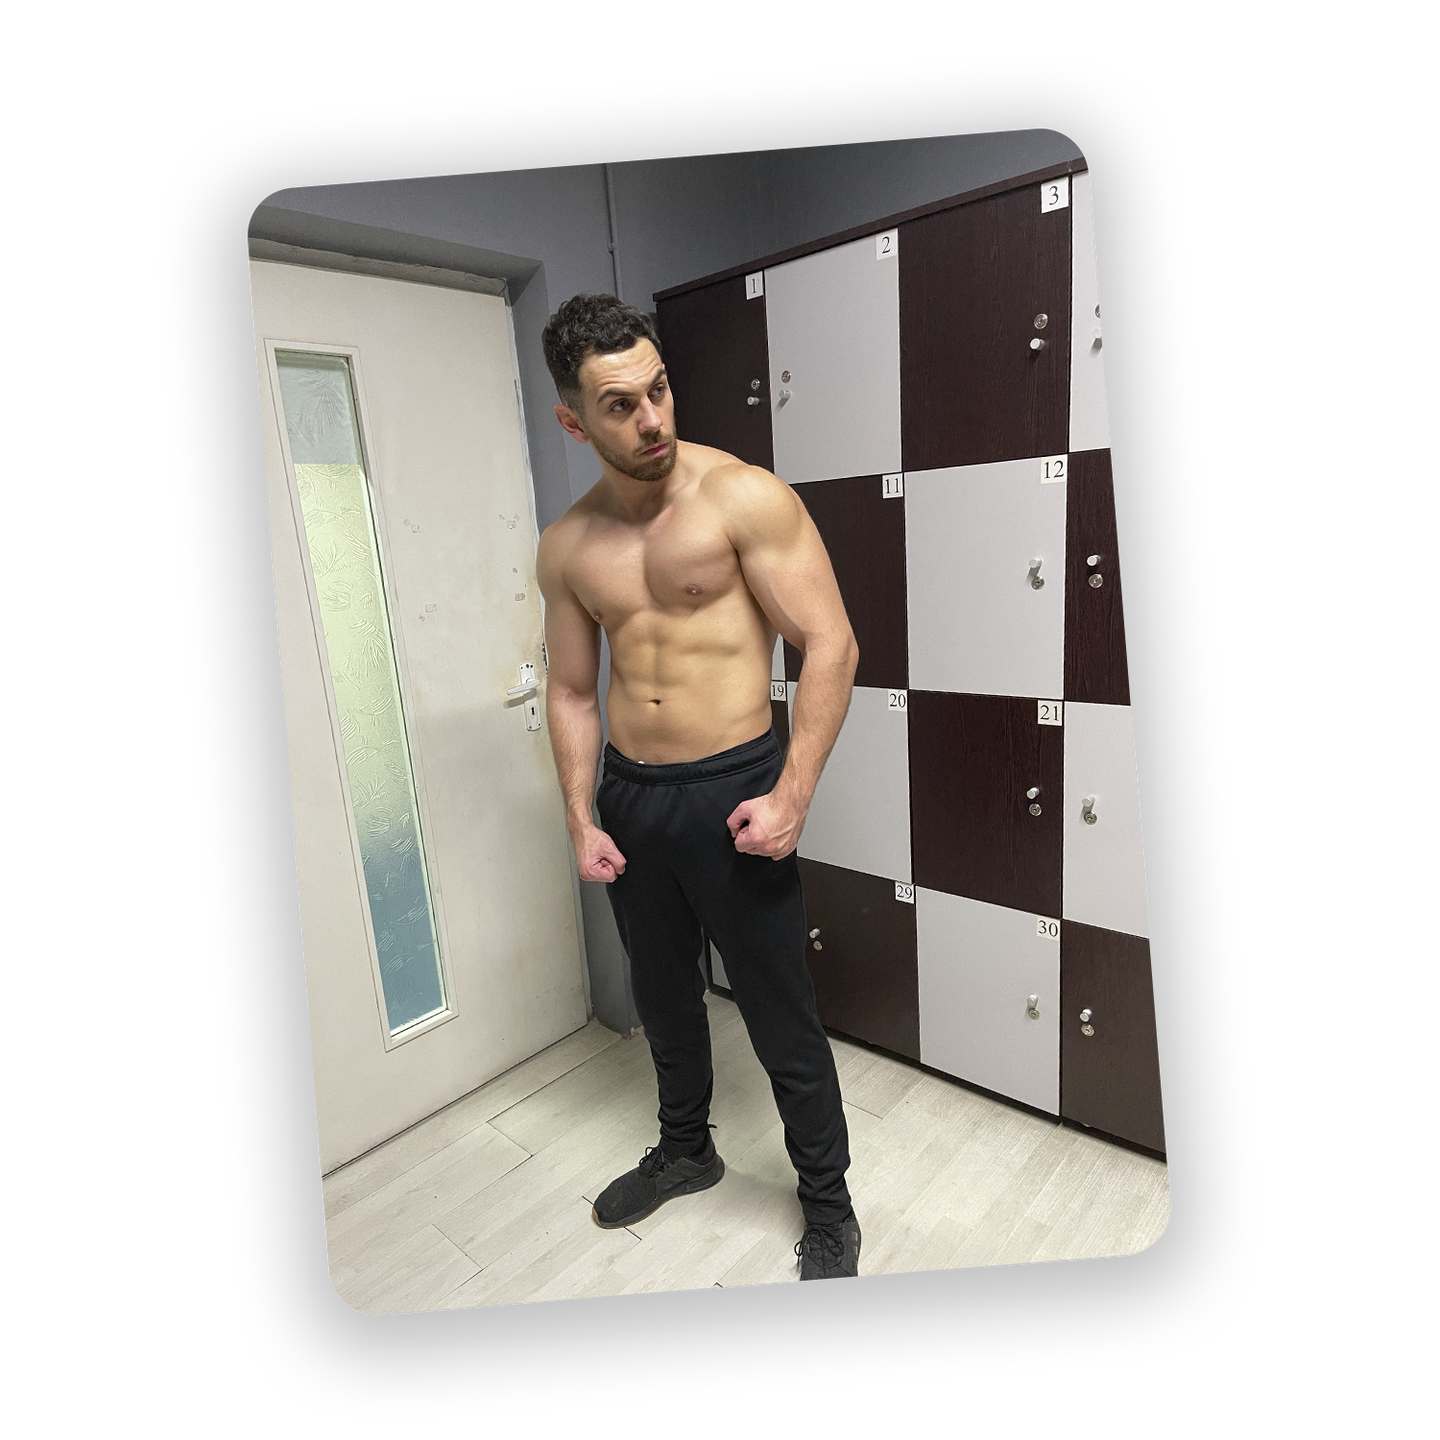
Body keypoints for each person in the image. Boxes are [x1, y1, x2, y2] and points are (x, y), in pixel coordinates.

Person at [535, 293, 862, 1281]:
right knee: (665, 999)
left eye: (660, 389)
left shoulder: (743, 498)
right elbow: (571, 690)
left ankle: (828, 1201)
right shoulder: (567, 547)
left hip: (734, 789)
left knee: (779, 1012)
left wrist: (794, 794)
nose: (652, 419)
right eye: (620, 404)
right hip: (634, 800)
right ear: (574, 422)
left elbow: (830, 643)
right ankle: (687, 1152)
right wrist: (581, 815)